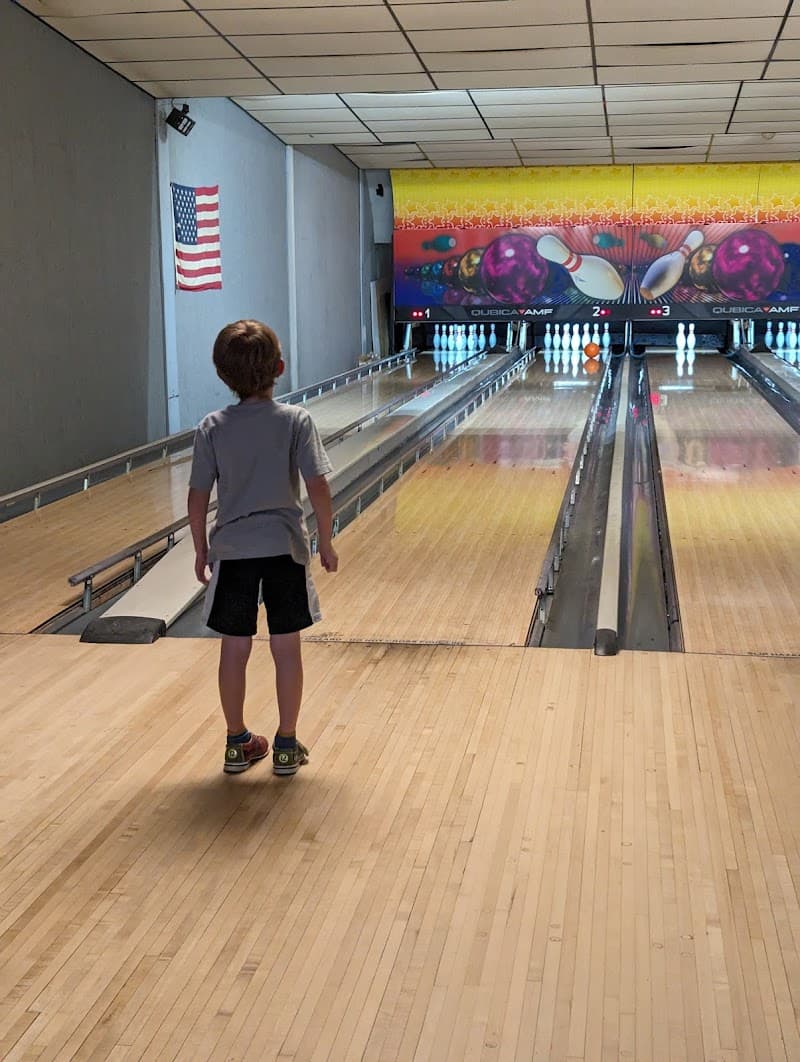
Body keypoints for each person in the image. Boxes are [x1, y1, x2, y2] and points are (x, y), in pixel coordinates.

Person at [188, 320, 338, 776]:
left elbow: (197, 497)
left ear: (221, 373)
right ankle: (287, 745)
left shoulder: (211, 427)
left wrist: (200, 550)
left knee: (234, 649)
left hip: (232, 552)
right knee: (285, 648)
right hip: (283, 550)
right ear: (280, 367)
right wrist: (326, 541)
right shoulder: (296, 421)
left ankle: (237, 743)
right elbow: (318, 488)